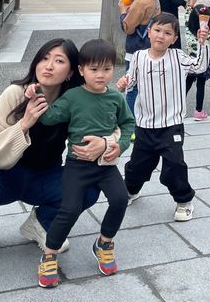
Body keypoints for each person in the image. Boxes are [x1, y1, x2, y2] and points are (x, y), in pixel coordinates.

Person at [0, 38, 113, 265]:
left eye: (59, 61)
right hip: (5, 174)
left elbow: (110, 125)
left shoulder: (75, 100)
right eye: (44, 58)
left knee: (89, 186)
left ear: (71, 72)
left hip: (45, 177)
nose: (48, 66)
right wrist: (24, 124)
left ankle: (41, 224)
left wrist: (106, 143)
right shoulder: (15, 94)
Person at [33, 39, 134, 288]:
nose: (101, 75)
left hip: (106, 164)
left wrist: (120, 145)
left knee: (120, 199)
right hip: (77, 165)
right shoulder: (73, 97)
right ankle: (49, 254)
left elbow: (128, 124)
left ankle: (104, 243)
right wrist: (36, 94)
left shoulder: (115, 98)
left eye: (107, 69)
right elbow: (49, 118)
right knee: (69, 209)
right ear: (81, 70)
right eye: (94, 69)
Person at [117, 13, 209, 221]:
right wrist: (124, 83)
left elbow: (200, 66)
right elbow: (131, 81)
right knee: (138, 166)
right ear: (149, 33)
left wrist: (202, 44)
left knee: (174, 165)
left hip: (171, 125)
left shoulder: (178, 57)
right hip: (145, 125)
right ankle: (131, 190)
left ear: (174, 39)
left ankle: (184, 201)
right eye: (157, 30)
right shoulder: (139, 57)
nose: (161, 36)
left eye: (167, 33)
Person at [118, 0, 160, 113]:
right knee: (147, 87)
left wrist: (123, 12)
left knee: (132, 88)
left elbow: (128, 28)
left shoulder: (140, 3)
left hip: (136, 51)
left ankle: (130, 121)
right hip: (149, 49)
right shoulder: (155, 0)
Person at [185, 4, 210, 120]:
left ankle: (179, 108)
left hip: (190, 59)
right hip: (204, 59)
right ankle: (198, 111)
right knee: (201, 85)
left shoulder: (188, 26)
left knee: (186, 84)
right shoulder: (209, 29)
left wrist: (190, 6)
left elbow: (187, 15)